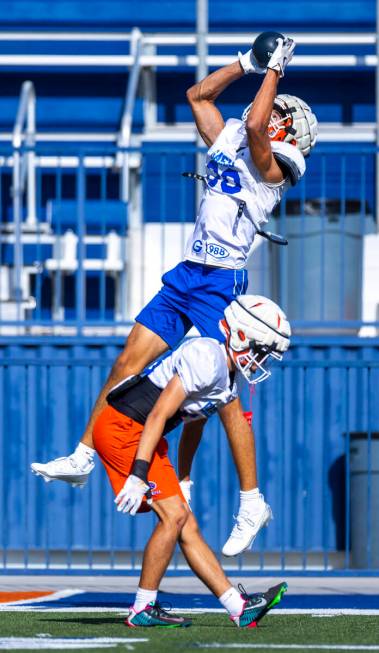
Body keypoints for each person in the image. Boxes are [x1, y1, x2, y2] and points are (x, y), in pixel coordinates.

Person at [31, 33, 317, 556]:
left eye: (280, 112)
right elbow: (198, 96)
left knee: (225, 394)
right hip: (188, 272)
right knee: (126, 361)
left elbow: (256, 124)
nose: (273, 113)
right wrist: (247, 62)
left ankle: (251, 500)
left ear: (288, 131)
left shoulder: (275, 167)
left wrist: (274, 70)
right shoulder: (235, 135)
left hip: (221, 280)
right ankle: (84, 454)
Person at [92, 295, 290, 627]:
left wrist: (184, 480)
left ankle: (238, 607)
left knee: (185, 521)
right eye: (259, 352)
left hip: (142, 435)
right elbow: (158, 415)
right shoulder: (207, 356)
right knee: (173, 517)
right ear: (241, 336)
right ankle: (143, 607)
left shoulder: (224, 376)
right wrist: (139, 474)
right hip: (123, 429)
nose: (259, 362)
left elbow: (192, 427)